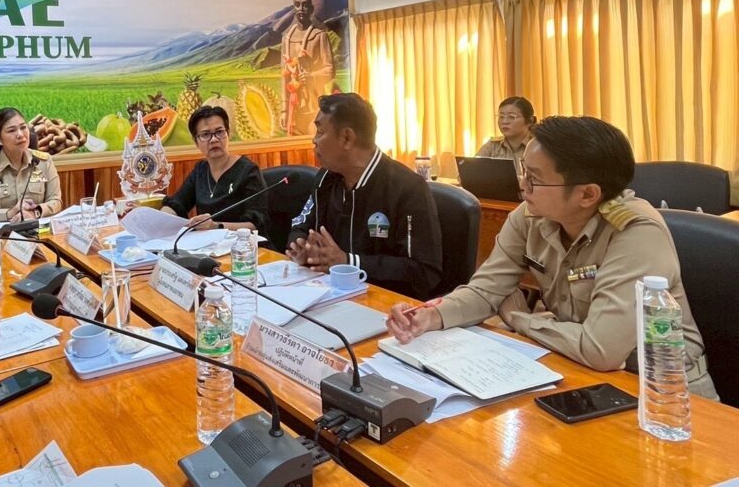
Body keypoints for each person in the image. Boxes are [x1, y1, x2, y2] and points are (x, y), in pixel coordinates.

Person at [386, 115, 718, 399]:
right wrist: (431, 317)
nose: (522, 186)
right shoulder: (529, 216)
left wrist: (519, 319)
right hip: (578, 373)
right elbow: (486, 291)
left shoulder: (636, 233)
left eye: (534, 179)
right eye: (523, 171)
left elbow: (600, 349)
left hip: (666, 392)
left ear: (587, 194)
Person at [286, 93, 442, 299]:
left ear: (346, 138)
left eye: (320, 132)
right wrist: (301, 247)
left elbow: (425, 272)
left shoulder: (407, 188)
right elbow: (301, 225)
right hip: (328, 295)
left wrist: (349, 262)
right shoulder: (326, 178)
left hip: (388, 305)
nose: (314, 140)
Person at [161, 106, 268, 231]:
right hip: (209, 242)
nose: (214, 139)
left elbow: (256, 224)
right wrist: (160, 218)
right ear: (196, 142)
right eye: (205, 134)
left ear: (228, 134)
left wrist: (216, 226)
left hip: (245, 241)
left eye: (219, 132)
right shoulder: (201, 170)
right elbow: (177, 203)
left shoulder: (248, 170)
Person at [0, 107, 63, 223]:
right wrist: (9, 213)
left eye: (23, 127)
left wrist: (35, 212)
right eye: (11, 130)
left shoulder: (43, 162)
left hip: (36, 229)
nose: (20, 134)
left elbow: (56, 201)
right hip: (0, 232)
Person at [280, 0, 335, 136]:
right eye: (297, 4)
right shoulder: (287, 39)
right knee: (293, 145)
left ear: (311, 8)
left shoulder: (320, 36)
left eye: (305, 5)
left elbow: (330, 70)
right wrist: (284, 109)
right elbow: (284, 76)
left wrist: (312, 77)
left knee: (316, 141)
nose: (301, 9)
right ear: (293, 8)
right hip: (294, 109)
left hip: (315, 106)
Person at [476, 95, 536, 171]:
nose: (504, 121)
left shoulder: (538, 145)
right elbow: (471, 171)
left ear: (529, 120)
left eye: (511, 117)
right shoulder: (493, 145)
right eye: (501, 117)